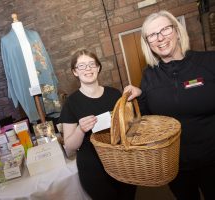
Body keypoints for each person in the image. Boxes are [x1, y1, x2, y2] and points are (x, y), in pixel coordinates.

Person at [125, 10, 215, 200]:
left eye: (165, 29)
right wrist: (140, 96)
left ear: (177, 31)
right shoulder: (149, 76)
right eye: (152, 35)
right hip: (176, 165)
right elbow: (149, 121)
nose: (160, 38)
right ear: (148, 43)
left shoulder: (209, 62)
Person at [59, 49, 138, 200]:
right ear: (75, 72)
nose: (88, 69)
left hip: (122, 164)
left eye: (91, 64)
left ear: (98, 68)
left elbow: (128, 126)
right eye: (81, 66)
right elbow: (70, 145)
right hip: (93, 171)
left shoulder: (114, 94)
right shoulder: (71, 103)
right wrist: (80, 129)